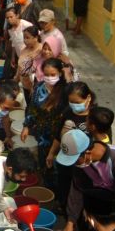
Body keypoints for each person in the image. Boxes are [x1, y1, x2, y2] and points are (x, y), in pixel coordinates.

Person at [56, 129, 115, 231]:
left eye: (75, 160)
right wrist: (71, 221)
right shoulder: (81, 164)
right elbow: (77, 189)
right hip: (104, 208)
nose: (74, 164)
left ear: (87, 153)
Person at [47, 81, 97, 209]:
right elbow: (59, 135)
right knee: (63, 182)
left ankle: (75, 212)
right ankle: (62, 204)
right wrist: (51, 153)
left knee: (78, 187)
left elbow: (102, 143)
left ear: (88, 98)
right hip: (65, 157)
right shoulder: (68, 113)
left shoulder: (96, 117)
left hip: (83, 163)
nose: (74, 106)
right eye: (71, 102)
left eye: (77, 102)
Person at [21, 58, 68, 190]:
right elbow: (32, 108)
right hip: (42, 135)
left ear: (60, 73)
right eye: (46, 74)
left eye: (53, 75)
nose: (49, 78)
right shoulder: (39, 87)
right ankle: (46, 189)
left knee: (58, 166)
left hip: (60, 135)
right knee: (44, 162)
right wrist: (26, 126)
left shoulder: (66, 91)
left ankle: (58, 193)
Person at [15, 25, 43, 99]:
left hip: (35, 88)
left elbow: (40, 72)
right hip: (25, 85)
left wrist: (33, 88)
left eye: (27, 38)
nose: (25, 40)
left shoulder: (41, 50)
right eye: (24, 38)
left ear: (36, 38)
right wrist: (16, 79)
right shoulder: (24, 50)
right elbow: (20, 67)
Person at [4, 7, 33, 71]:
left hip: (30, 57)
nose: (9, 19)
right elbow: (14, 43)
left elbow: (36, 38)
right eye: (7, 18)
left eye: (11, 17)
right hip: (20, 57)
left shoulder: (26, 25)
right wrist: (13, 57)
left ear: (17, 15)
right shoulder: (10, 29)